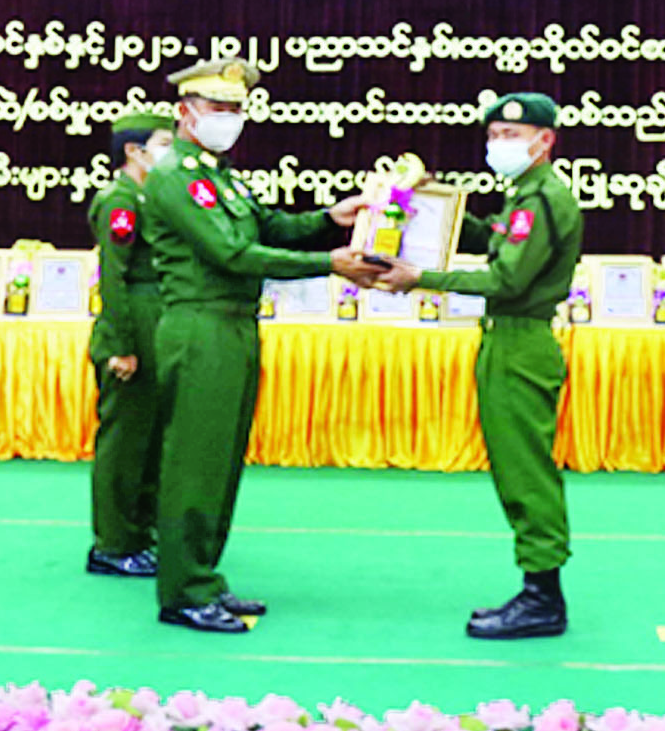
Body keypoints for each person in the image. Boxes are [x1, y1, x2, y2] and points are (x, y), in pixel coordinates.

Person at [143, 59, 379, 633]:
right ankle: (183, 591)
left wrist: (330, 217)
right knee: (194, 464)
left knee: (221, 464)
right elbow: (232, 254)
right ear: (185, 112)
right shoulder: (176, 176)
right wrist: (330, 264)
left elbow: (268, 228)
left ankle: (204, 577)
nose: (229, 118)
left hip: (233, 326)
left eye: (236, 109)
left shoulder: (220, 177)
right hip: (200, 327)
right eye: (218, 108)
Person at [378, 92, 583, 639]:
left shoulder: (542, 199)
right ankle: (538, 590)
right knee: (515, 470)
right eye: (493, 136)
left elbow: (506, 279)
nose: (498, 145)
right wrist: (432, 204)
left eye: (512, 135)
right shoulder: (526, 195)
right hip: (506, 341)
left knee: (526, 473)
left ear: (545, 140)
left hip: (521, 342)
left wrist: (421, 278)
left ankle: (543, 597)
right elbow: (490, 239)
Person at [86, 113, 176, 578]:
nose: (172, 151)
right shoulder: (119, 200)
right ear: (134, 151)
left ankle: (140, 533)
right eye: (164, 142)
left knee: (150, 439)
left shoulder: (149, 196)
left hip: (154, 319)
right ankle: (114, 543)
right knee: (124, 442)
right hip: (132, 323)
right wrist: (121, 344)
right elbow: (114, 277)